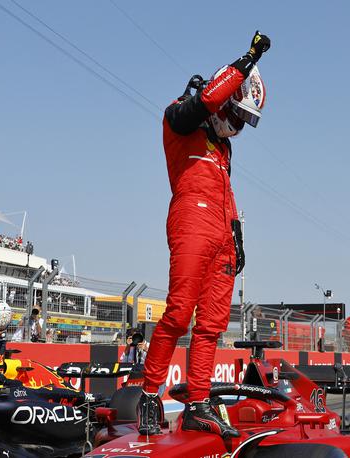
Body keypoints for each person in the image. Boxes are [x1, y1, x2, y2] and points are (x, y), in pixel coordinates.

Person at [138, 31, 271, 438]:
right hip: (190, 220)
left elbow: (228, 195)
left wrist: (238, 237)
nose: (238, 125)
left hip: (222, 232)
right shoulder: (179, 118)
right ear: (225, 96)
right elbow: (207, 102)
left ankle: (198, 403)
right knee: (179, 313)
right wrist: (246, 60)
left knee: (212, 325)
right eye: (238, 114)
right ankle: (148, 393)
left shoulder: (224, 150)